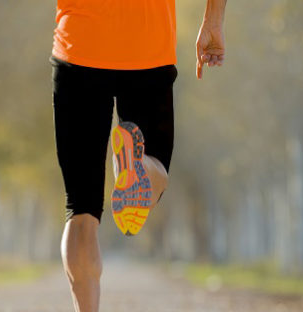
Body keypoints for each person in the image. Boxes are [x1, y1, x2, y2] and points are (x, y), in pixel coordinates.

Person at [51, 0, 226, 310]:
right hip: (147, 45)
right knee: (156, 170)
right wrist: (212, 21)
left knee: (81, 212)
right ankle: (140, 164)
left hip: (79, 45)